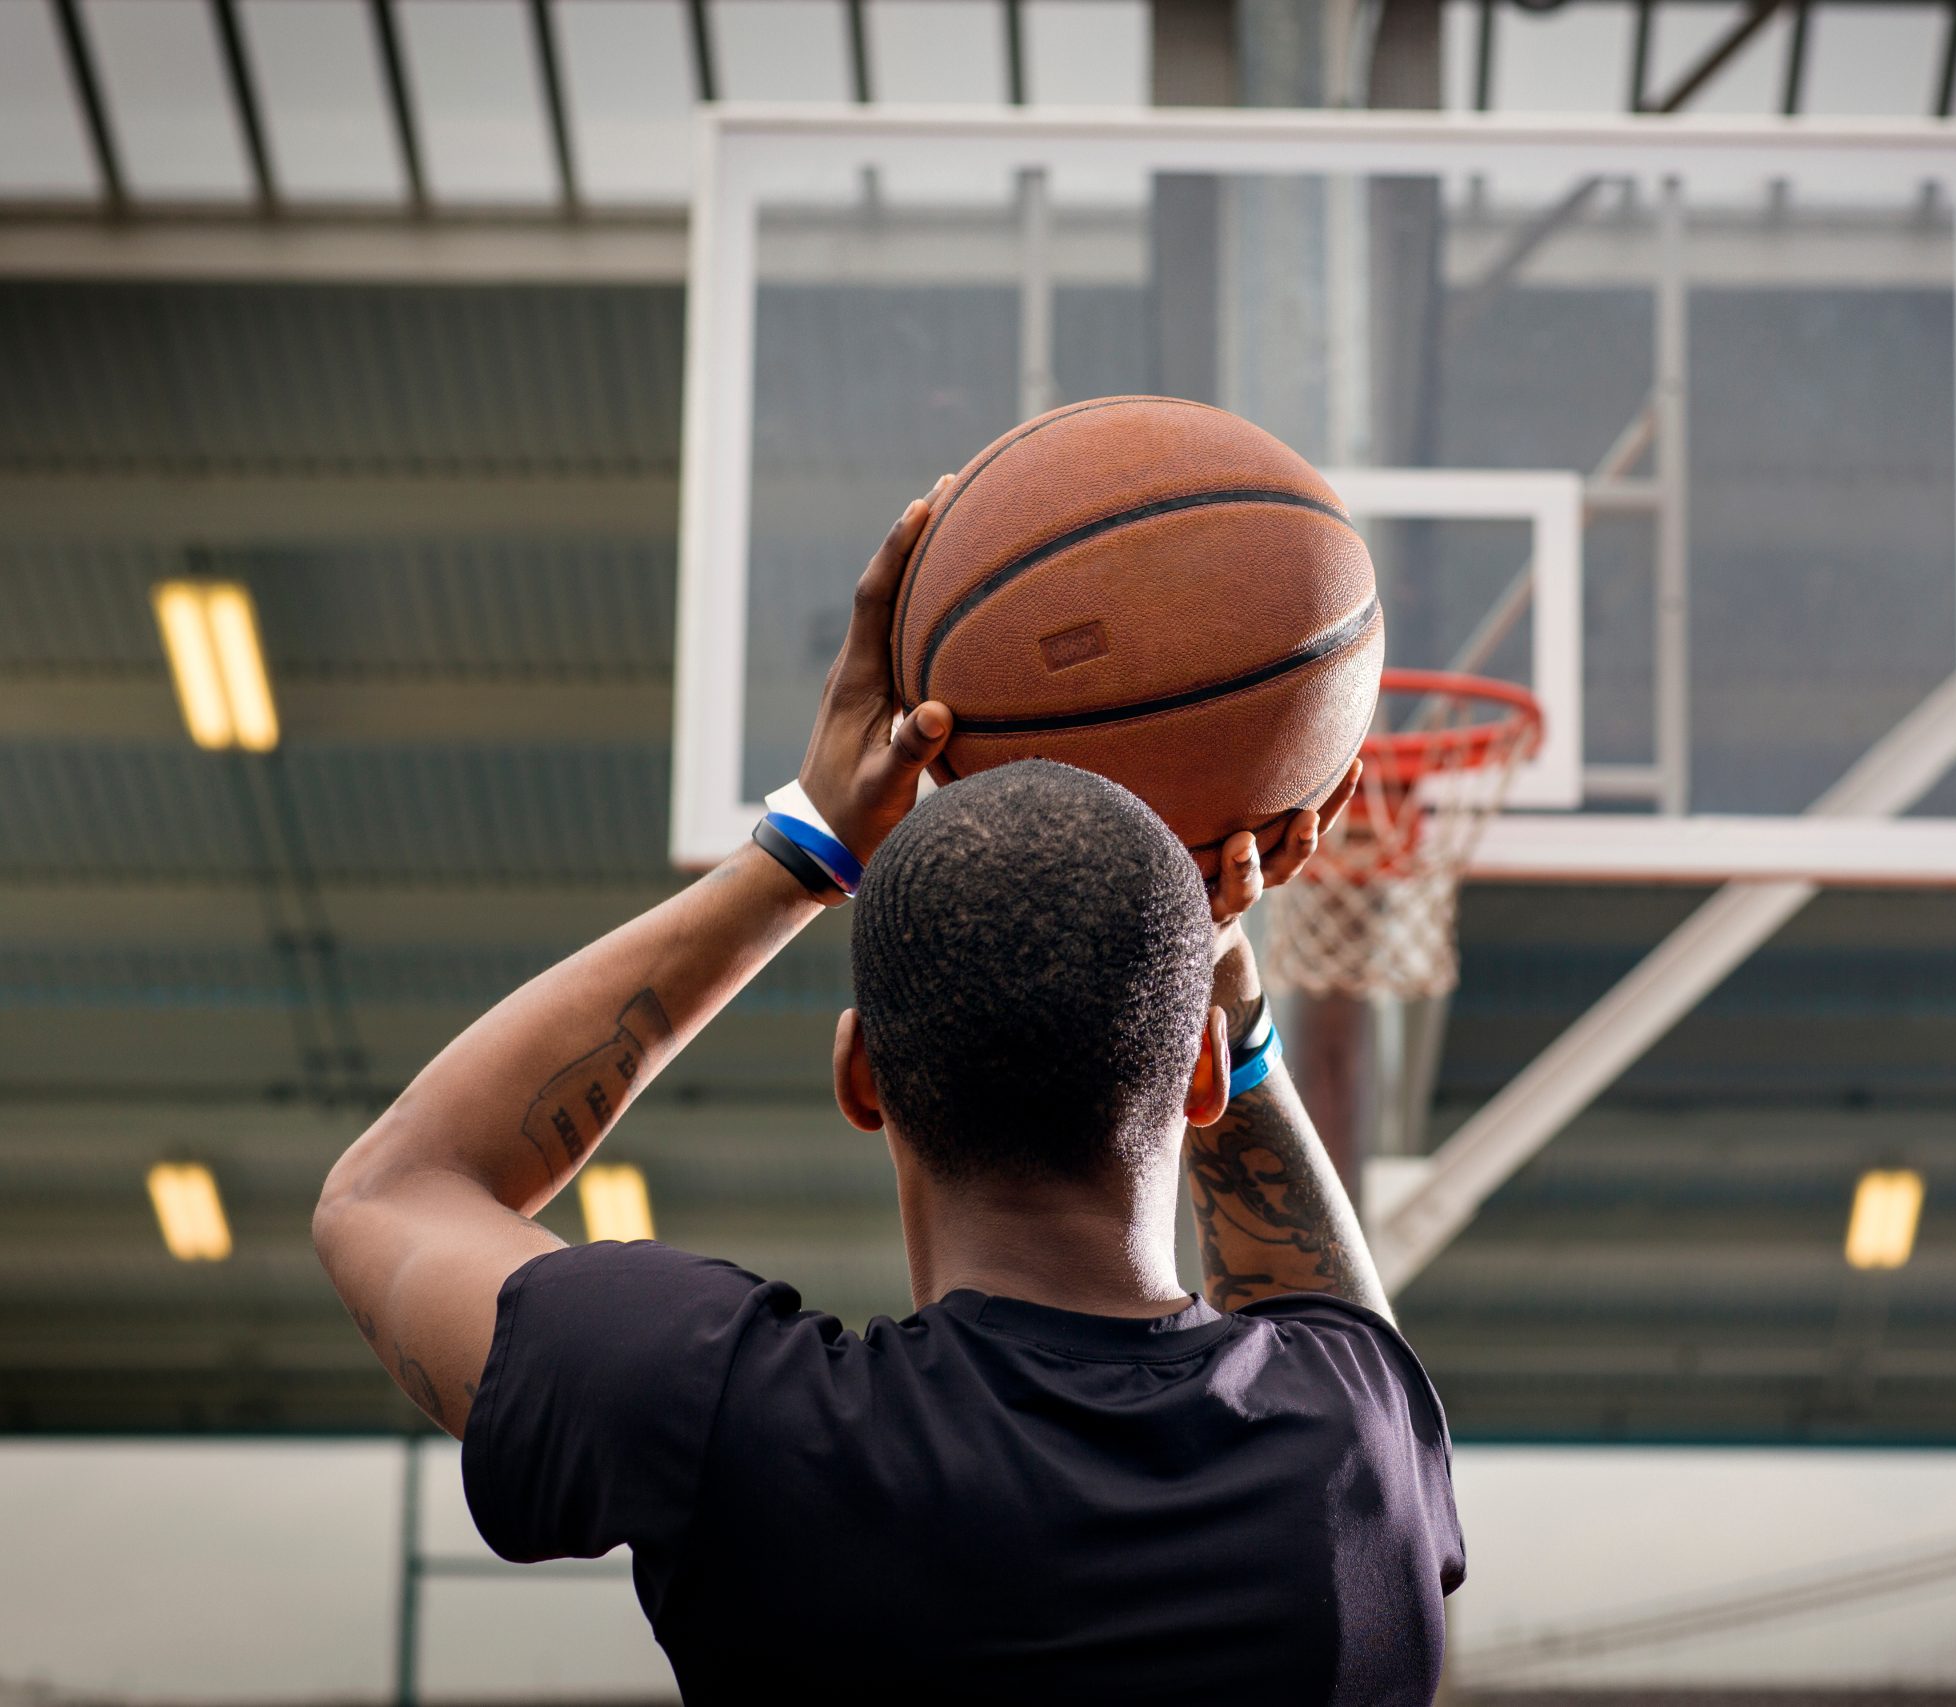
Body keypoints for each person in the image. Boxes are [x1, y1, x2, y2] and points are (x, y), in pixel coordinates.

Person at [311, 474, 1465, 1703]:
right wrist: (1207, 959)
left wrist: (807, 845)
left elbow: (390, 1190)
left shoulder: (730, 1427)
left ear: (862, 1077)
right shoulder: (1356, 1462)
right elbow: (1339, 1328)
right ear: (1194, 1078)